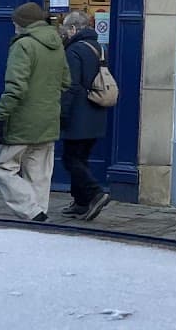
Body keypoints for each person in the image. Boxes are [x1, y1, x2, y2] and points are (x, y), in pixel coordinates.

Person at [0, 2, 70, 222]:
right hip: (49, 116)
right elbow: (66, 81)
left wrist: (0, 115)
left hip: (22, 117)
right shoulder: (57, 44)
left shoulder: (23, 45)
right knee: (39, 170)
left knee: (3, 167)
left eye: (16, 22)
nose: (14, 26)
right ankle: (39, 212)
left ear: (22, 23)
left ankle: (31, 211)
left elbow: (16, 87)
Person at [58, 11, 110, 221]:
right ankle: (80, 202)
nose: (64, 34)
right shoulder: (99, 47)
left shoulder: (74, 50)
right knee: (81, 158)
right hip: (96, 111)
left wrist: (63, 112)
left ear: (73, 29)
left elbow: (71, 85)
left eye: (66, 30)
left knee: (71, 158)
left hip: (79, 114)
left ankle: (95, 193)